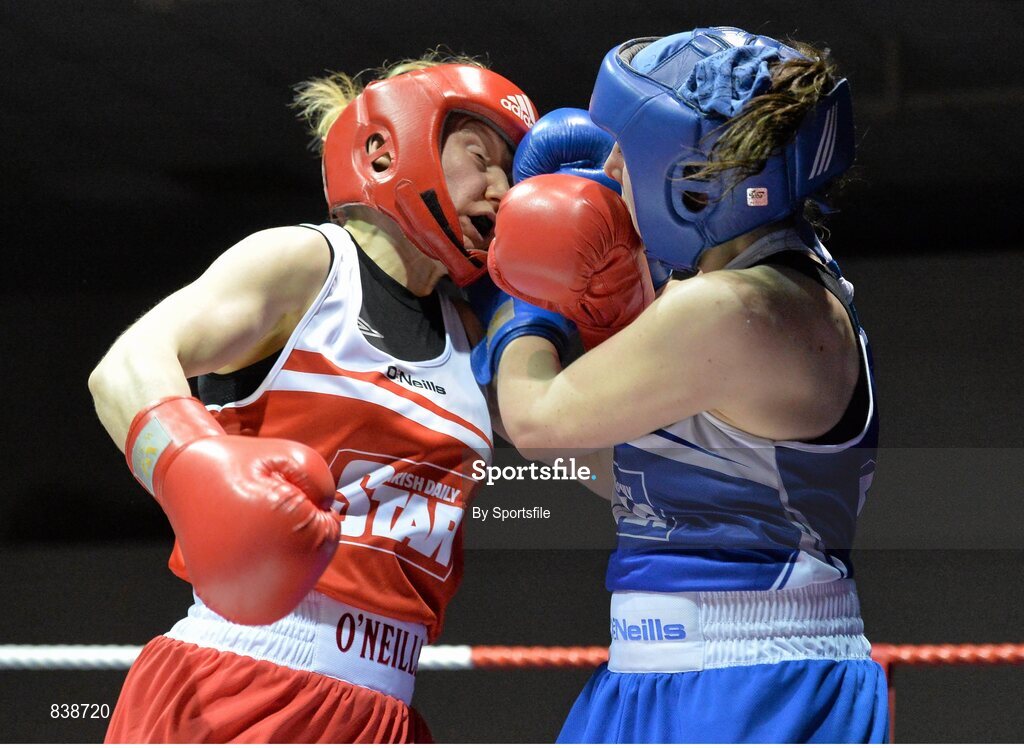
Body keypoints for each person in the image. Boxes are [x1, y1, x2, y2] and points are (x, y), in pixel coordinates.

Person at [88, 53, 539, 743]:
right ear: (391, 147)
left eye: (513, 171)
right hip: (240, 679)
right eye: (481, 156)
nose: (503, 189)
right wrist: (189, 465)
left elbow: (584, 450)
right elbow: (124, 367)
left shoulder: (472, 330)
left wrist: (585, 305)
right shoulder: (307, 267)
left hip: (385, 707)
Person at [473, 27, 888, 742]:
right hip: (656, 667)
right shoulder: (756, 286)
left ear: (687, 174)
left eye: (625, 152)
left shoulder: (731, 309)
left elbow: (538, 418)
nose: (608, 167)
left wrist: (525, 295)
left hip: (750, 680)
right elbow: (623, 466)